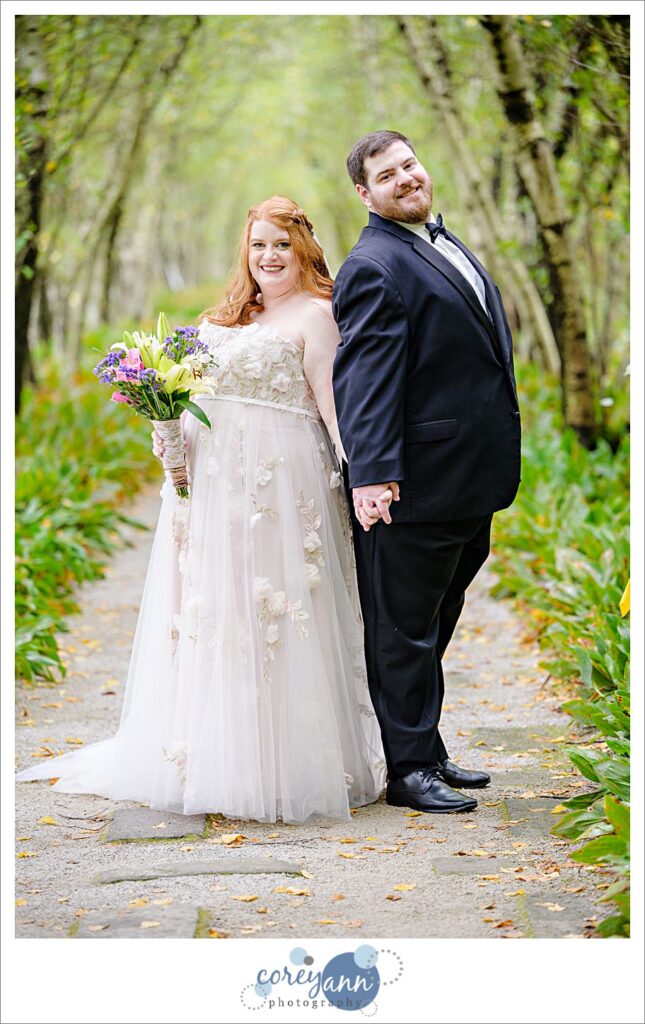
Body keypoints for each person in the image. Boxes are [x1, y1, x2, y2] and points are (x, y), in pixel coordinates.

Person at [16, 196, 386, 824]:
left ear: (304, 249)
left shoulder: (318, 316)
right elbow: (193, 402)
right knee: (215, 611)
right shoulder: (221, 320)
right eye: (258, 244)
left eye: (281, 244)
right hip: (210, 487)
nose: (269, 256)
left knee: (278, 616)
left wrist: (363, 477)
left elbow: (331, 404)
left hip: (281, 487)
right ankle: (215, 753)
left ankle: (283, 762)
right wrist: (168, 436)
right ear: (246, 251)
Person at [332, 131, 522, 814]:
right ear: (364, 193)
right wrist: (374, 475)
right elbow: (364, 382)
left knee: (434, 619)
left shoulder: (434, 242)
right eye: (387, 175)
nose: (406, 179)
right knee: (402, 628)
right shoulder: (373, 265)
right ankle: (407, 769)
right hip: (412, 485)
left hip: (466, 479)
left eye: (409, 164)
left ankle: (427, 747)